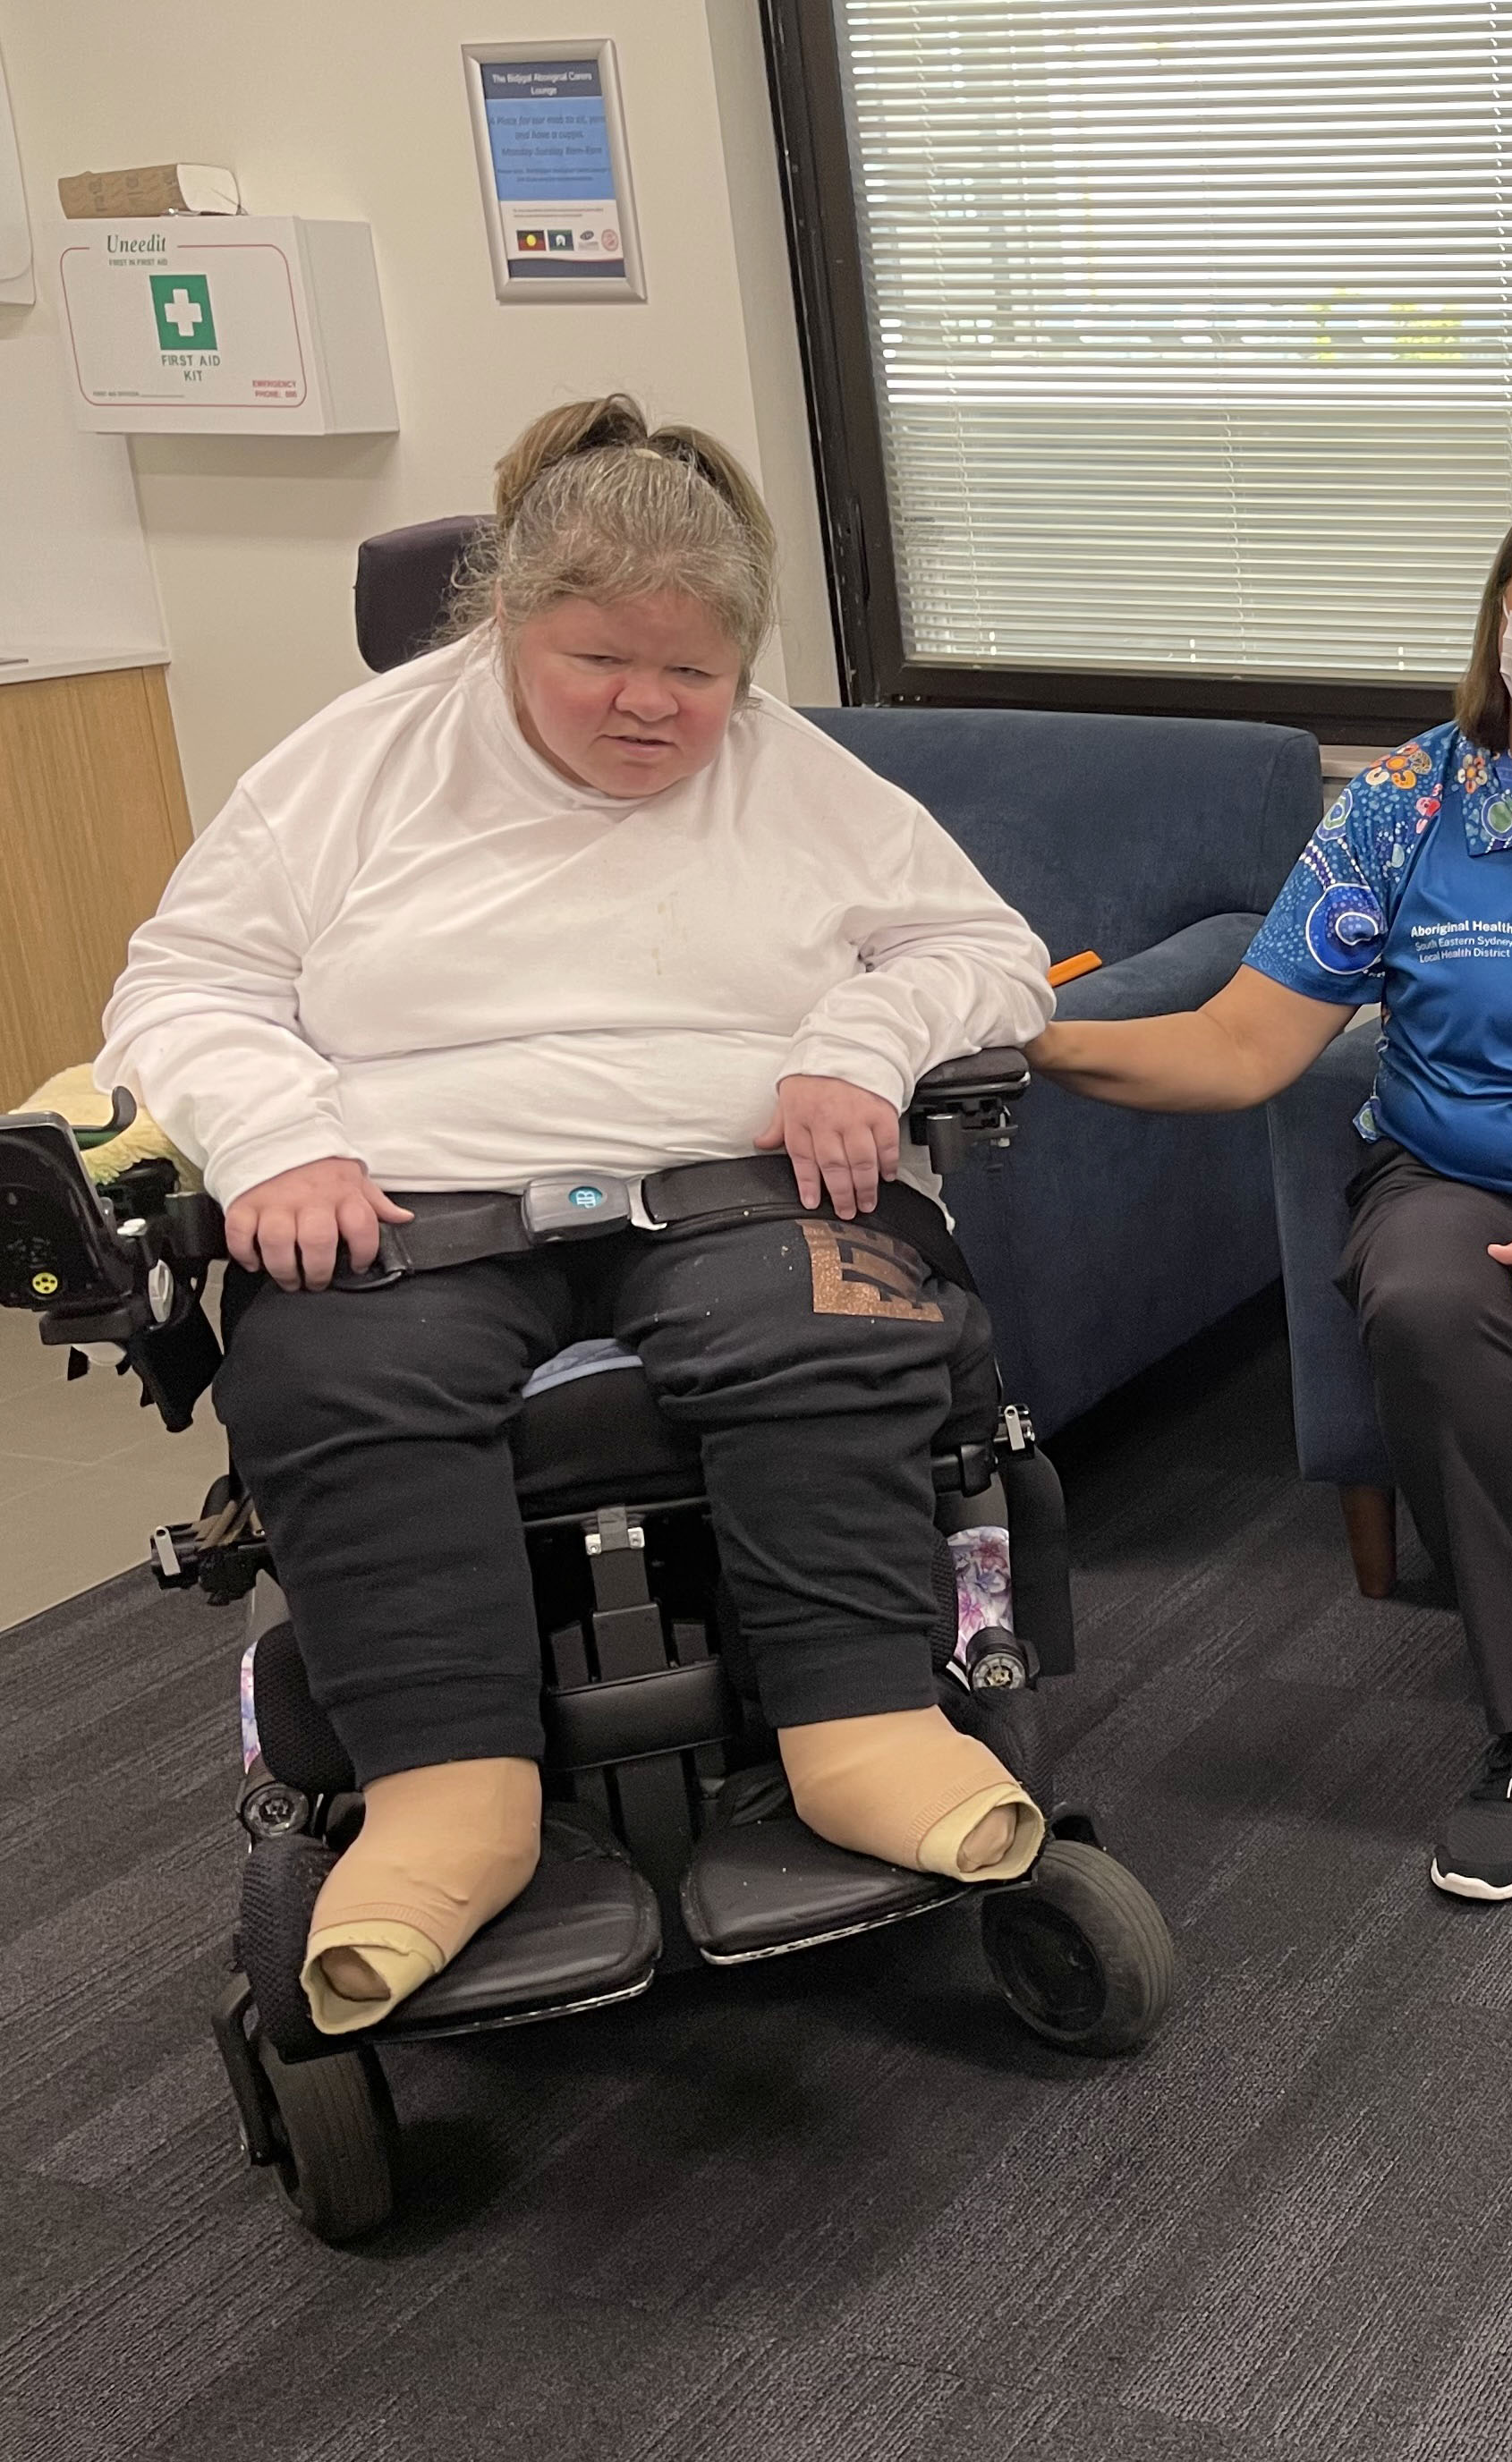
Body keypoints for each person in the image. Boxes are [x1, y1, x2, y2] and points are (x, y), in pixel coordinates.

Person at [97, 396, 1060, 2033]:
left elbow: (987, 953)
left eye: (696, 675)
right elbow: (186, 982)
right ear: (506, 624)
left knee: (832, 1322)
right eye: (600, 660)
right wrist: (271, 1141)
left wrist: (856, 1044)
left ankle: (859, 1728)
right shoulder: (356, 763)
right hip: (410, 1198)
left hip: (731, 1185)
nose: (649, 706)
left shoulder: (793, 775)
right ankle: (447, 1800)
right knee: (334, 1379)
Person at [1033, 477, 1512, 1903]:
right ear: (1501, 619)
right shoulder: (1401, 806)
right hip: (1452, 1167)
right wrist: (1027, 1042)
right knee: (1416, 1297)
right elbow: (1240, 1040)